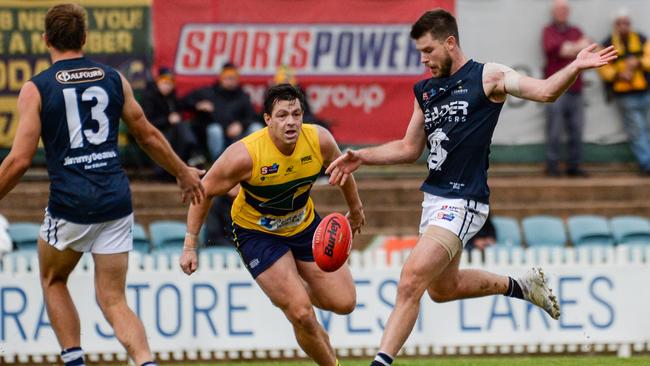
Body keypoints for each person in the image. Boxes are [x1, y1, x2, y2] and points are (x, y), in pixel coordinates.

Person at [325, 9, 616, 366]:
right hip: (434, 200)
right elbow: (408, 148)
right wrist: (362, 157)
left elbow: (543, 93)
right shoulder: (426, 91)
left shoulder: (488, 76)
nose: (424, 59)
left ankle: (379, 363)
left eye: (428, 50)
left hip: (464, 200)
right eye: (420, 52)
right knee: (441, 290)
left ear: (450, 43)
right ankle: (520, 285)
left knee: (410, 280)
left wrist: (574, 66)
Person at [0, 4, 205, 366]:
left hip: (71, 203)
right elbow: (147, 133)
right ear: (85, 38)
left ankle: (76, 361)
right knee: (113, 299)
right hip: (115, 201)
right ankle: (145, 362)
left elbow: (18, 161)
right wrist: (182, 172)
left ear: (45, 39)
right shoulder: (112, 78)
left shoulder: (37, 88)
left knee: (53, 279)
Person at [180, 84, 365, 366]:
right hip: (257, 234)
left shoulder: (320, 140)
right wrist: (190, 244)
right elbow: (202, 192)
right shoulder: (244, 155)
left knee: (345, 302)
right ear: (267, 119)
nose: (290, 122)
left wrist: (355, 209)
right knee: (302, 314)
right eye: (281, 115)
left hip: (304, 225)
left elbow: (344, 170)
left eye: (296, 114)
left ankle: (290, 289)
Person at [597, 9, 650, 175]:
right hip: (625, 95)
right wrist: (619, 74)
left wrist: (638, 63)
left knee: (644, 128)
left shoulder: (641, 39)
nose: (623, 26)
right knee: (637, 129)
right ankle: (647, 164)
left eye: (626, 23)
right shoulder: (607, 43)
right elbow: (603, 68)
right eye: (620, 23)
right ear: (615, 25)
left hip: (644, 91)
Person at [542, 0, 591, 177]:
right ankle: (553, 166)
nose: (562, 12)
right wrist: (576, 48)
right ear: (553, 12)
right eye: (559, 9)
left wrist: (570, 48)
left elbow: (586, 49)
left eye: (565, 9)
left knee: (577, 129)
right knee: (554, 130)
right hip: (556, 89)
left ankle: (574, 166)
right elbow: (557, 49)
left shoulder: (575, 30)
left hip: (576, 88)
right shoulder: (548, 31)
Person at [182, 62, 262, 161]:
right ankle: (218, 163)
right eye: (227, 78)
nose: (230, 81)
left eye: (233, 78)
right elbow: (184, 102)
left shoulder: (243, 96)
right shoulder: (208, 93)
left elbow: (253, 116)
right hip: (217, 136)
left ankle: (255, 161)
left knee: (256, 128)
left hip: (238, 138)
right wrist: (197, 105)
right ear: (221, 78)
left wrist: (241, 125)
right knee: (214, 129)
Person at [141, 66, 206, 180]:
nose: (167, 86)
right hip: (156, 133)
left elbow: (184, 104)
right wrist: (168, 120)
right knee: (181, 128)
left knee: (186, 126)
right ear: (158, 82)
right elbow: (146, 122)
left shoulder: (171, 97)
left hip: (173, 134)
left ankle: (192, 155)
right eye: (164, 82)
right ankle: (194, 154)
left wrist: (197, 106)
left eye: (170, 83)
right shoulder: (149, 96)